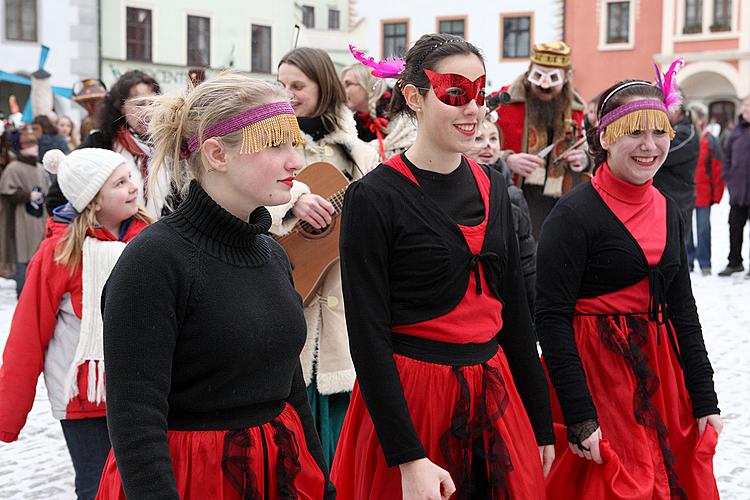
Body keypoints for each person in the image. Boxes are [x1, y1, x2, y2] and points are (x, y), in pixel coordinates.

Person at [331, 33, 554, 499]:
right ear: (414, 96)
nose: (473, 108)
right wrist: (408, 456)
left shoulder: (494, 188)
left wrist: (539, 421)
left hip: (495, 398)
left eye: (481, 92)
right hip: (413, 403)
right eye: (455, 93)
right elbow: (368, 337)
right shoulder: (373, 198)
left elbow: (515, 317)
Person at [96, 71, 334, 499]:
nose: (294, 162)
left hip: (278, 469)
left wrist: (323, 484)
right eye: (274, 144)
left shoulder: (272, 253)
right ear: (216, 154)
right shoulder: (154, 261)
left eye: (292, 144)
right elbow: (135, 417)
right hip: (194, 478)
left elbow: (289, 388)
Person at [536, 76, 722, 499]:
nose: (649, 145)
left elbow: (684, 311)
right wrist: (580, 413)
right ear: (606, 136)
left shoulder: (670, 209)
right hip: (597, 375)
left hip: (662, 376)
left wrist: (704, 396)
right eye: (634, 131)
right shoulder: (573, 214)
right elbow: (550, 319)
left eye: (659, 131)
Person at [0, 148, 151, 500]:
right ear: (93, 201)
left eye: (130, 178)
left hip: (144, 390)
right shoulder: (59, 254)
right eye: (119, 183)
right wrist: (10, 413)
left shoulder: (150, 240)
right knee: (96, 484)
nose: (133, 187)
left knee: (143, 482)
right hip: (83, 399)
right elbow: (28, 334)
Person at [275, 47, 379, 464]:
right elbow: (243, 204)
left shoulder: (358, 153)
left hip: (342, 305)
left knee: (339, 442)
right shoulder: (270, 143)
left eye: (297, 86)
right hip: (284, 298)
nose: (287, 94)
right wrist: (293, 202)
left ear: (325, 88)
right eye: (280, 84)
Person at [496, 41, 589, 238]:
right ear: (529, 72)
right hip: (513, 196)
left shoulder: (577, 109)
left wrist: (585, 158)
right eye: (538, 76)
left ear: (566, 78)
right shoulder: (502, 102)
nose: (544, 85)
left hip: (560, 201)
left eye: (553, 78)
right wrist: (507, 160)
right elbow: (473, 147)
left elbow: (588, 148)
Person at [467, 117, 537, 314]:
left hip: (503, 299)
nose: (488, 145)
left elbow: (527, 258)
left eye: (493, 139)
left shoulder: (513, 195)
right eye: (478, 139)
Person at [81, 70, 168, 218]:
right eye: (139, 105)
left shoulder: (170, 144)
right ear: (121, 108)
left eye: (153, 103)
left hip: (161, 236)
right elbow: (59, 197)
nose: (147, 112)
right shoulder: (102, 142)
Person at [0, 126, 48, 297]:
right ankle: (23, 294)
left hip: (40, 219)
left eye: (35, 142)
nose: (34, 146)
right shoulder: (14, 168)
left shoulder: (40, 168)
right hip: (21, 221)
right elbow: (8, 192)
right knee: (23, 257)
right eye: (29, 143)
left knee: (39, 256)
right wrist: (28, 195)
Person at [342, 52, 417, 161]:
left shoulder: (404, 116)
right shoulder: (350, 126)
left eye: (348, 84)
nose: (343, 91)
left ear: (366, 84)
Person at [653, 89, 700, 250]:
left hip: (677, 202)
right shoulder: (671, 131)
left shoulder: (686, 133)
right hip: (662, 200)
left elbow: (661, 154)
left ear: (676, 108)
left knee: (673, 254)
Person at [687, 103, 724, 276]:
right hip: (686, 192)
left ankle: (705, 262)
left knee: (703, 229)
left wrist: (717, 195)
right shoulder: (685, 137)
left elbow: (718, 169)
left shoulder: (709, 140)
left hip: (703, 193)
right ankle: (688, 261)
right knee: (686, 230)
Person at [718, 95, 750, 277]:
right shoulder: (735, 132)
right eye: (745, 107)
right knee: (735, 227)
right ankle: (735, 262)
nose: (746, 110)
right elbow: (726, 156)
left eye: (749, 107)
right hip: (738, 191)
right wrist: (729, 177)